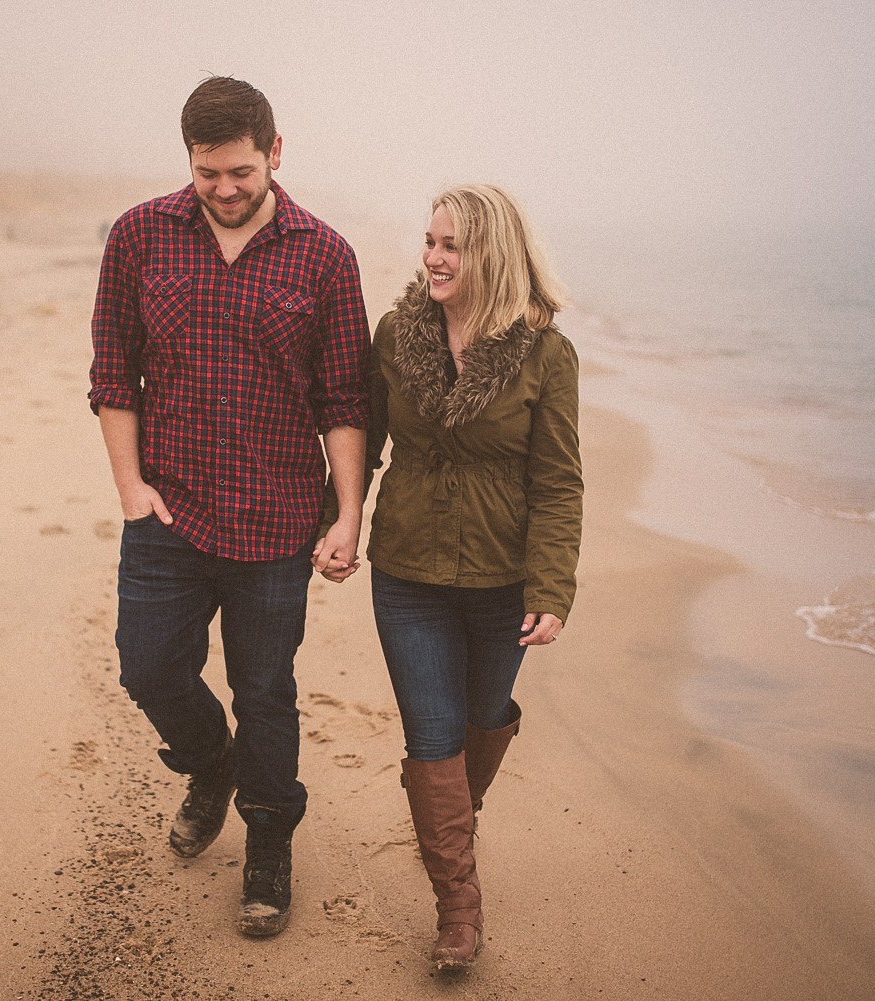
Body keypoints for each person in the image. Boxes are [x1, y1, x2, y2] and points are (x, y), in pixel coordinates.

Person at [89, 76, 370, 937]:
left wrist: (348, 513)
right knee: (147, 667)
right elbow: (112, 375)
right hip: (168, 516)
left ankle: (269, 845)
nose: (224, 188)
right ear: (190, 160)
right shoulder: (140, 236)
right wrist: (131, 490)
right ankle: (212, 766)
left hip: (277, 521)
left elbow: (346, 401)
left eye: (241, 170)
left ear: (275, 153)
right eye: (207, 172)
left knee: (266, 690)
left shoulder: (324, 255)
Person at [316, 184, 581, 968]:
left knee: (483, 716)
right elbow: (358, 433)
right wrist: (343, 519)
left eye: (451, 245)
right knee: (431, 734)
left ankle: (449, 827)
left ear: (491, 254)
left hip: (505, 579)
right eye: (429, 240)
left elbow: (559, 481)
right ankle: (458, 914)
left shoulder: (545, 353)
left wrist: (552, 589)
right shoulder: (399, 332)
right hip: (410, 572)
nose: (432, 256)